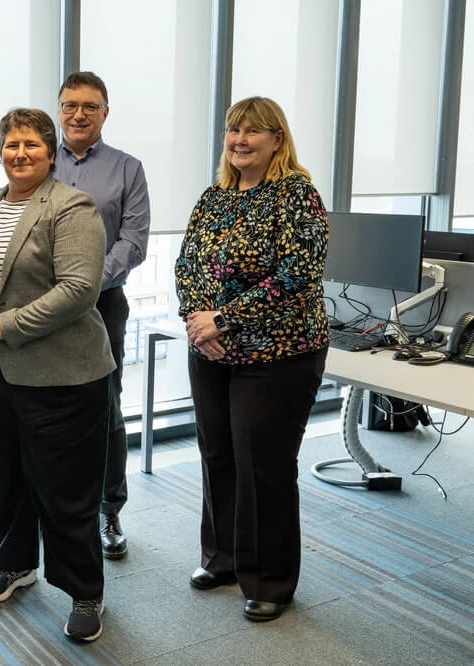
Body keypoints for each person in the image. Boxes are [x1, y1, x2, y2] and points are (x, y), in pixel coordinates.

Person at [0, 108, 115, 641]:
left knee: (65, 492)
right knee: (2, 478)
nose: (19, 154)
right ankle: (16, 563)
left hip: (59, 376)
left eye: (31, 145)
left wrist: (5, 325)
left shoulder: (72, 207)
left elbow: (79, 289)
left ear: (51, 151)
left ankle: (86, 591)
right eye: (10, 144)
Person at [174, 96, 329, 622]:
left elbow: (296, 273)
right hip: (212, 351)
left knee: (262, 464)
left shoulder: (296, 195)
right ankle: (222, 558)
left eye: (252, 132)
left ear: (276, 139)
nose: (239, 140)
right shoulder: (214, 197)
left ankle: (269, 580)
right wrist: (198, 321)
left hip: (279, 354)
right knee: (217, 454)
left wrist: (226, 319)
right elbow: (186, 264)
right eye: (232, 131)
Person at [54, 71, 150, 559]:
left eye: (90, 106)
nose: (79, 114)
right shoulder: (35, 162)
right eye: (71, 104)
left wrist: (85, 283)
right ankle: (52, 506)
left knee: (104, 407)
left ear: (105, 113)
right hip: (40, 308)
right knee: (46, 405)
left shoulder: (127, 169)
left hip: (102, 303)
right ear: (59, 109)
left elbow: (134, 243)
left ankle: (108, 509)